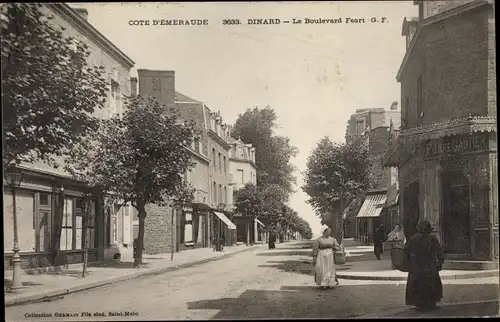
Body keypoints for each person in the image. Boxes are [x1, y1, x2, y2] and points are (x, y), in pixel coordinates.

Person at [404, 220, 444, 311]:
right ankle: (431, 302)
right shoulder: (432, 238)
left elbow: (406, 250)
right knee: (432, 283)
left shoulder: (414, 238)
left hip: (418, 266)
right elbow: (439, 251)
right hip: (430, 265)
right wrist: (440, 262)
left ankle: (420, 303)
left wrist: (410, 260)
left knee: (418, 284)